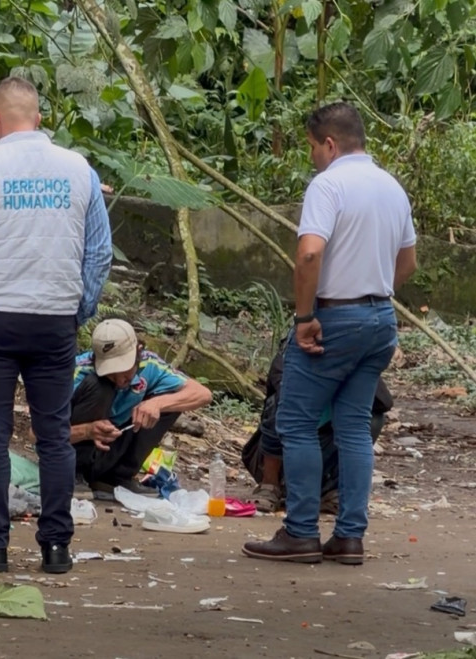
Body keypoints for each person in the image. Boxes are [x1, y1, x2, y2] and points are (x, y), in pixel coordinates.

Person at [0, 76, 113, 574]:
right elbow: (99, 252)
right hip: (54, 320)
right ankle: (56, 547)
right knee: (54, 434)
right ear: (38, 119)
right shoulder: (79, 170)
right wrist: (79, 309)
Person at [242, 102, 416, 566]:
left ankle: (300, 531)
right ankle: (349, 536)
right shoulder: (392, 187)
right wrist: (374, 293)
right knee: (354, 426)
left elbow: (309, 256)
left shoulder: (329, 184)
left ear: (330, 144)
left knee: (295, 421)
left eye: (313, 148)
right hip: (380, 319)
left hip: (333, 319)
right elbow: (409, 261)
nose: (313, 158)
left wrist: (304, 318)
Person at [242, 337, 393, 513]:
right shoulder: (291, 354)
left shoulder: (351, 360)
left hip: (327, 452)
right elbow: (284, 391)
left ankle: (333, 491)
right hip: (285, 451)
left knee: (370, 416)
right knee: (280, 404)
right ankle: (269, 485)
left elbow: (384, 402)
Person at [71, 319, 211, 500]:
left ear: (138, 352)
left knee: (170, 397)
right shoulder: (76, 371)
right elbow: (37, 433)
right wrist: (87, 431)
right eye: (110, 371)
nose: (119, 378)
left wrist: (158, 404)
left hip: (113, 447)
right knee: (97, 386)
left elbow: (203, 394)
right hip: (70, 452)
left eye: (124, 368)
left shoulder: (149, 365)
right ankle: (75, 473)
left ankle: (116, 478)